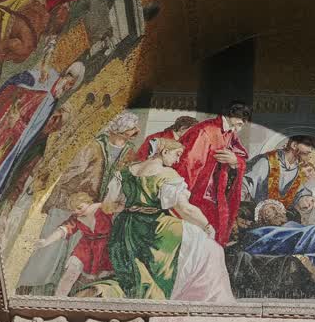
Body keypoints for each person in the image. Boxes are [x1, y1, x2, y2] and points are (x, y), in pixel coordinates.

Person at [101, 138, 233, 301]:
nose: (177, 160)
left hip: (124, 229)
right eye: (177, 154)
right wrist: (206, 225)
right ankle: (202, 298)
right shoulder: (167, 174)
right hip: (155, 228)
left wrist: (131, 207)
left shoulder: (124, 173)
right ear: (164, 152)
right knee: (211, 248)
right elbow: (185, 209)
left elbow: (108, 206)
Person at [0, 61, 84, 200]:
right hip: (5, 131)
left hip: (16, 142)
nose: (66, 88)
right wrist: (15, 116)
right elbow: (17, 88)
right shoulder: (45, 78)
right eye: (68, 82)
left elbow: (32, 129)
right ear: (64, 76)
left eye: (70, 87)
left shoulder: (53, 102)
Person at [174, 101, 252, 245]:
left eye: (243, 121)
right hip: (197, 194)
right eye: (240, 119)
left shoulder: (230, 132)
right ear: (230, 114)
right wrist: (182, 197)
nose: (241, 124)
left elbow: (240, 156)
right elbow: (188, 165)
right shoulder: (206, 130)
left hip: (216, 194)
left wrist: (235, 161)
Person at [32, 192, 114, 297]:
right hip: (85, 247)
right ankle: (59, 298)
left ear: (88, 203)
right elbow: (63, 230)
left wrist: (98, 205)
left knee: (103, 277)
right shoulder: (76, 218)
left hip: (105, 247)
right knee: (71, 269)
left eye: (80, 208)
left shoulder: (103, 209)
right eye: (74, 210)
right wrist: (46, 242)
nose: (77, 212)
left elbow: (120, 209)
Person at [243, 135, 315, 208]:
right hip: (257, 210)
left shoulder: (296, 170)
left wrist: (304, 199)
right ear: (294, 145)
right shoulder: (266, 161)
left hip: (280, 212)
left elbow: (298, 193)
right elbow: (245, 184)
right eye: (307, 144)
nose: (310, 151)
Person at [132, 115, 199, 161]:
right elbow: (140, 159)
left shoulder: (186, 143)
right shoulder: (156, 138)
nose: (194, 135)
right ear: (182, 128)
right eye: (192, 132)